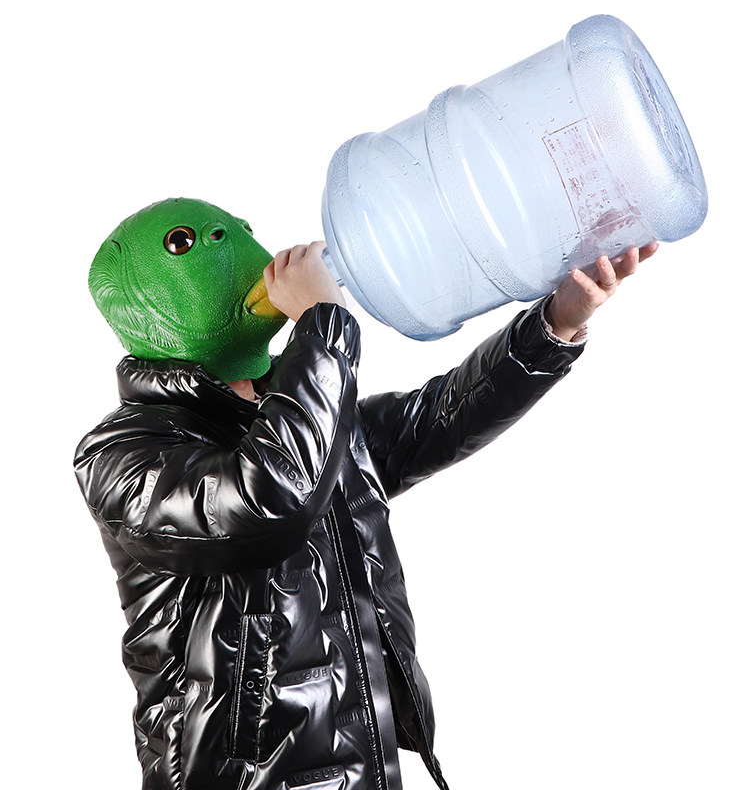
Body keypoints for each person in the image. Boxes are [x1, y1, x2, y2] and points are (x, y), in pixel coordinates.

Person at [75, 196, 657, 790]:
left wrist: (555, 324)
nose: (235, 242)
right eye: (185, 243)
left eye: (238, 229)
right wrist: (323, 327)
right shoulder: (120, 454)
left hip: (365, 767)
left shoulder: (308, 411)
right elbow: (270, 499)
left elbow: (440, 417)